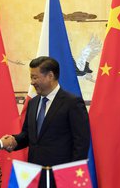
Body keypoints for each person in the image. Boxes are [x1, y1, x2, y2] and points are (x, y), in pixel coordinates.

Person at [8, 56, 90, 188]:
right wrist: (13, 141)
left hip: (61, 176)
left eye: (35, 77)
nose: (32, 82)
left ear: (50, 76)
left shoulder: (72, 103)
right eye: (31, 77)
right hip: (34, 175)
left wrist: (72, 175)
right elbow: (28, 135)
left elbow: (81, 143)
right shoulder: (33, 103)